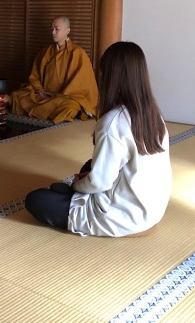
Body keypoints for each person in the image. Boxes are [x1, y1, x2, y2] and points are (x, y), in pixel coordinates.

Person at [25, 41, 172, 237]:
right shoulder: (153, 115)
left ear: (111, 77)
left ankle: (73, 194)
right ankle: (72, 193)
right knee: (89, 165)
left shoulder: (113, 121)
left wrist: (78, 185)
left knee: (36, 200)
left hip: (120, 216)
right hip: (151, 209)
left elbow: (100, 182)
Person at [10, 16, 98, 123]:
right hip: (43, 95)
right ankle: (44, 112)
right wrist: (40, 91)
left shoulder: (77, 53)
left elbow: (81, 85)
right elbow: (35, 76)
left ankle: (42, 113)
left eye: (57, 29)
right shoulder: (45, 52)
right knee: (16, 95)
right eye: (51, 29)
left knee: (69, 107)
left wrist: (57, 95)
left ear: (67, 31)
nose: (53, 32)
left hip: (63, 97)